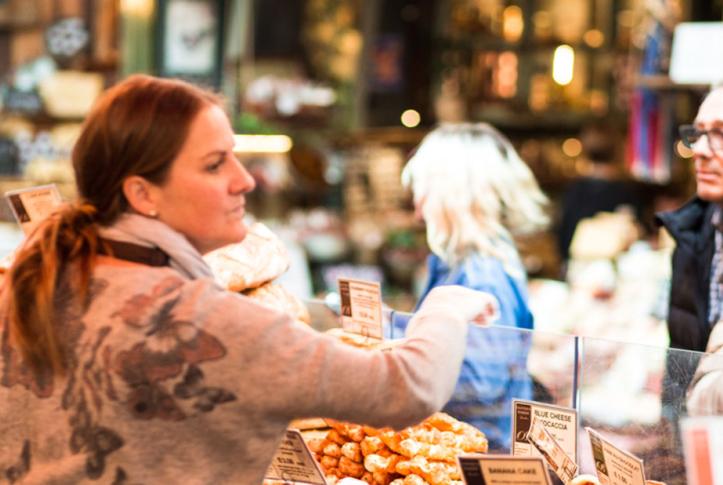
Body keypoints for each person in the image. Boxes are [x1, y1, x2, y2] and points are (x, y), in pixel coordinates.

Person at [0, 75, 498, 484]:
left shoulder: (31, 282)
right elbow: (404, 388)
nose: (246, 179)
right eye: (216, 164)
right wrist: (445, 308)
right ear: (142, 193)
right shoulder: (203, 324)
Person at [394, 122, 549, 452]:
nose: (418, 207)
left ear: (451, 194)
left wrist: (392, 345)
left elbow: (478, 387)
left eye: (423, 188)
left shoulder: (482, 273)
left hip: (479, 458)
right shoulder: (457, 263)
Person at [657, 86, 723, 426]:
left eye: (720, 134)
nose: (698, 149)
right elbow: (679, 368)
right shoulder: (691, 234)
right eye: (698, 133)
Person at [557, 122, 644, 265]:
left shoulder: (574, 190)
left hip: (579, 269)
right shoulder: (626, 191)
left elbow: (562, 236)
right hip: (615, 271)